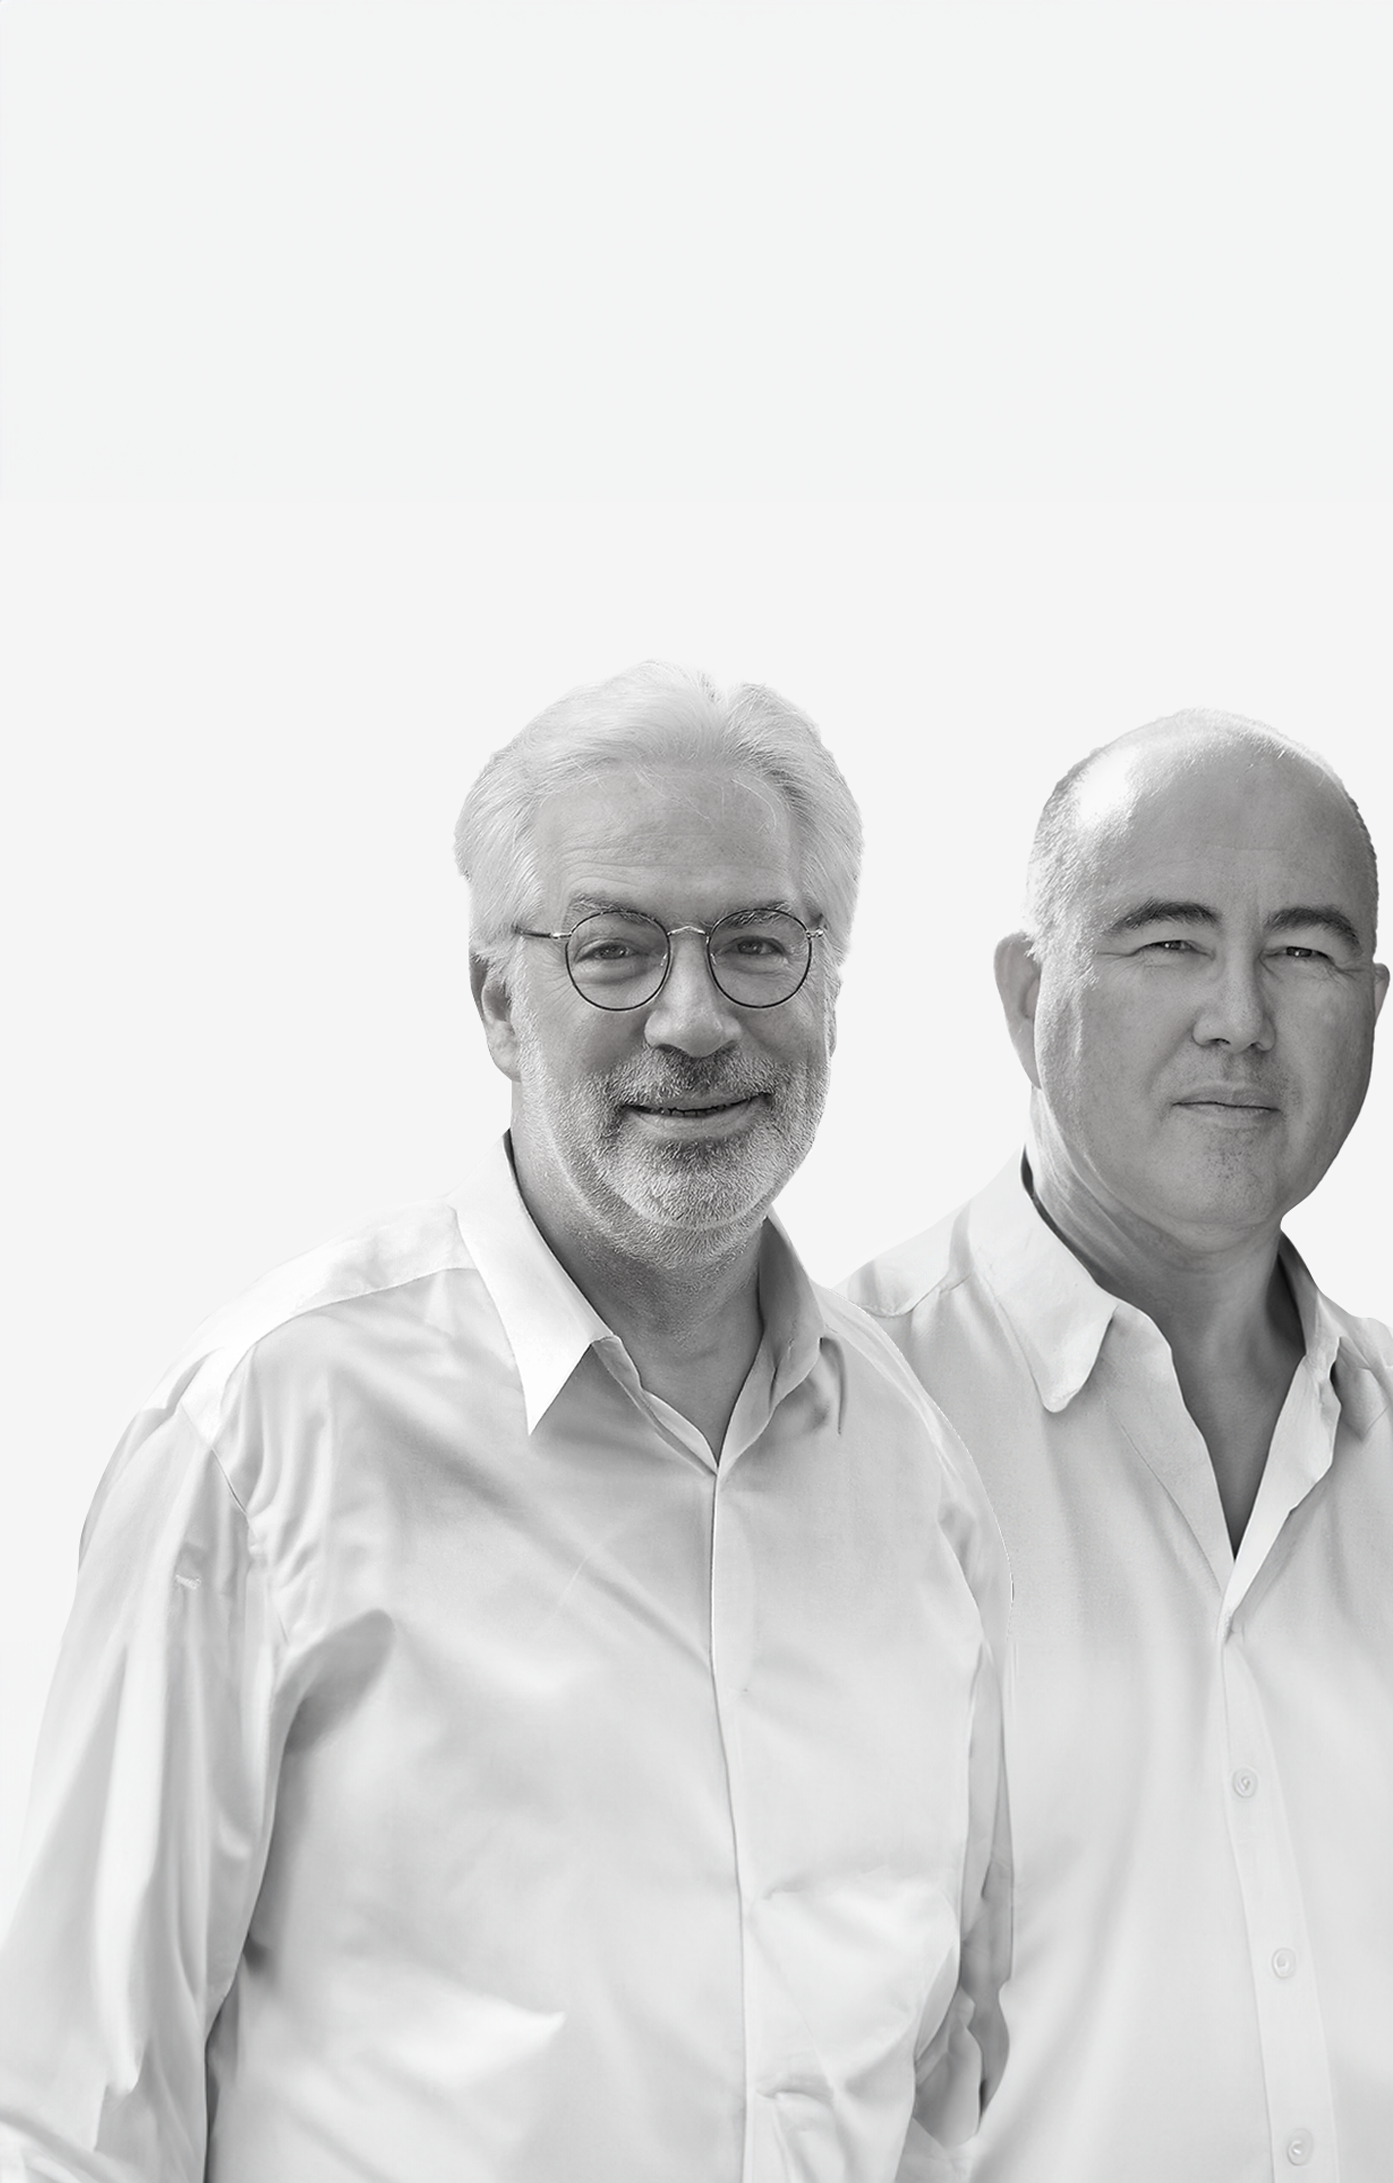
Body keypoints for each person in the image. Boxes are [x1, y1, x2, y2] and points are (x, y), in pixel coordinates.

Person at [0, 664, 1010, 2183]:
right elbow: (73, 2111)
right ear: (493, 999)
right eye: (612, 949)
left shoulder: (916, 1474)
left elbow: (937, 2083)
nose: (692, 1019)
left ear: (828, 986)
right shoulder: (272, 1432)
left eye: (755, 945)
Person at [846, 710, 1393, 2183]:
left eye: (1305, 954)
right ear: (1025, 994)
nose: (1240, 1017)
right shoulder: (825, 1430)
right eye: (1166, 942)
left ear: (1373, 1006)